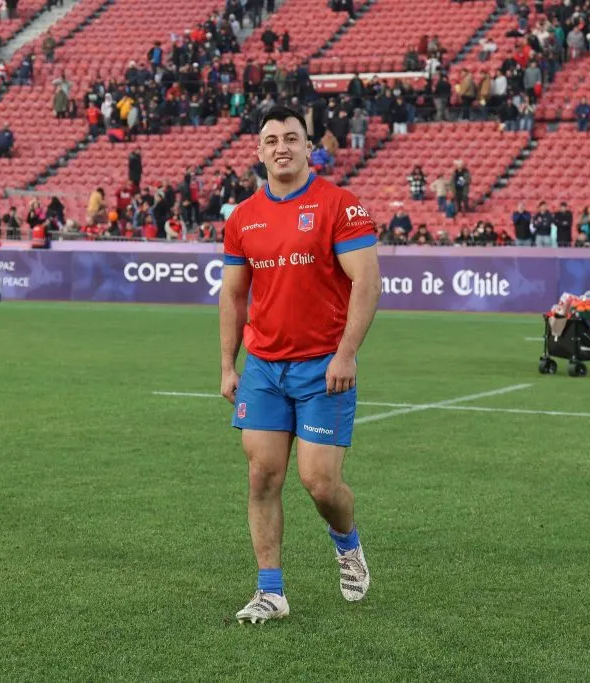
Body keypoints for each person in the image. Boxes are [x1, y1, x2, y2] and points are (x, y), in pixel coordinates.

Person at [219, 106, 381, 624]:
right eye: (271, 141)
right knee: (262, 476)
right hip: (264, 367)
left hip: (323, 368)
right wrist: (228, 365)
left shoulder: (339, 205)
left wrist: (346, 353)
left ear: (308, 147)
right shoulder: (242, 217)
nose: (281, 148)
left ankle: (346, 542)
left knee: (320, 483)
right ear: (259, 151)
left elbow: (366, 281)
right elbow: (233, 294)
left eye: (291, 138)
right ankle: (271, 591)